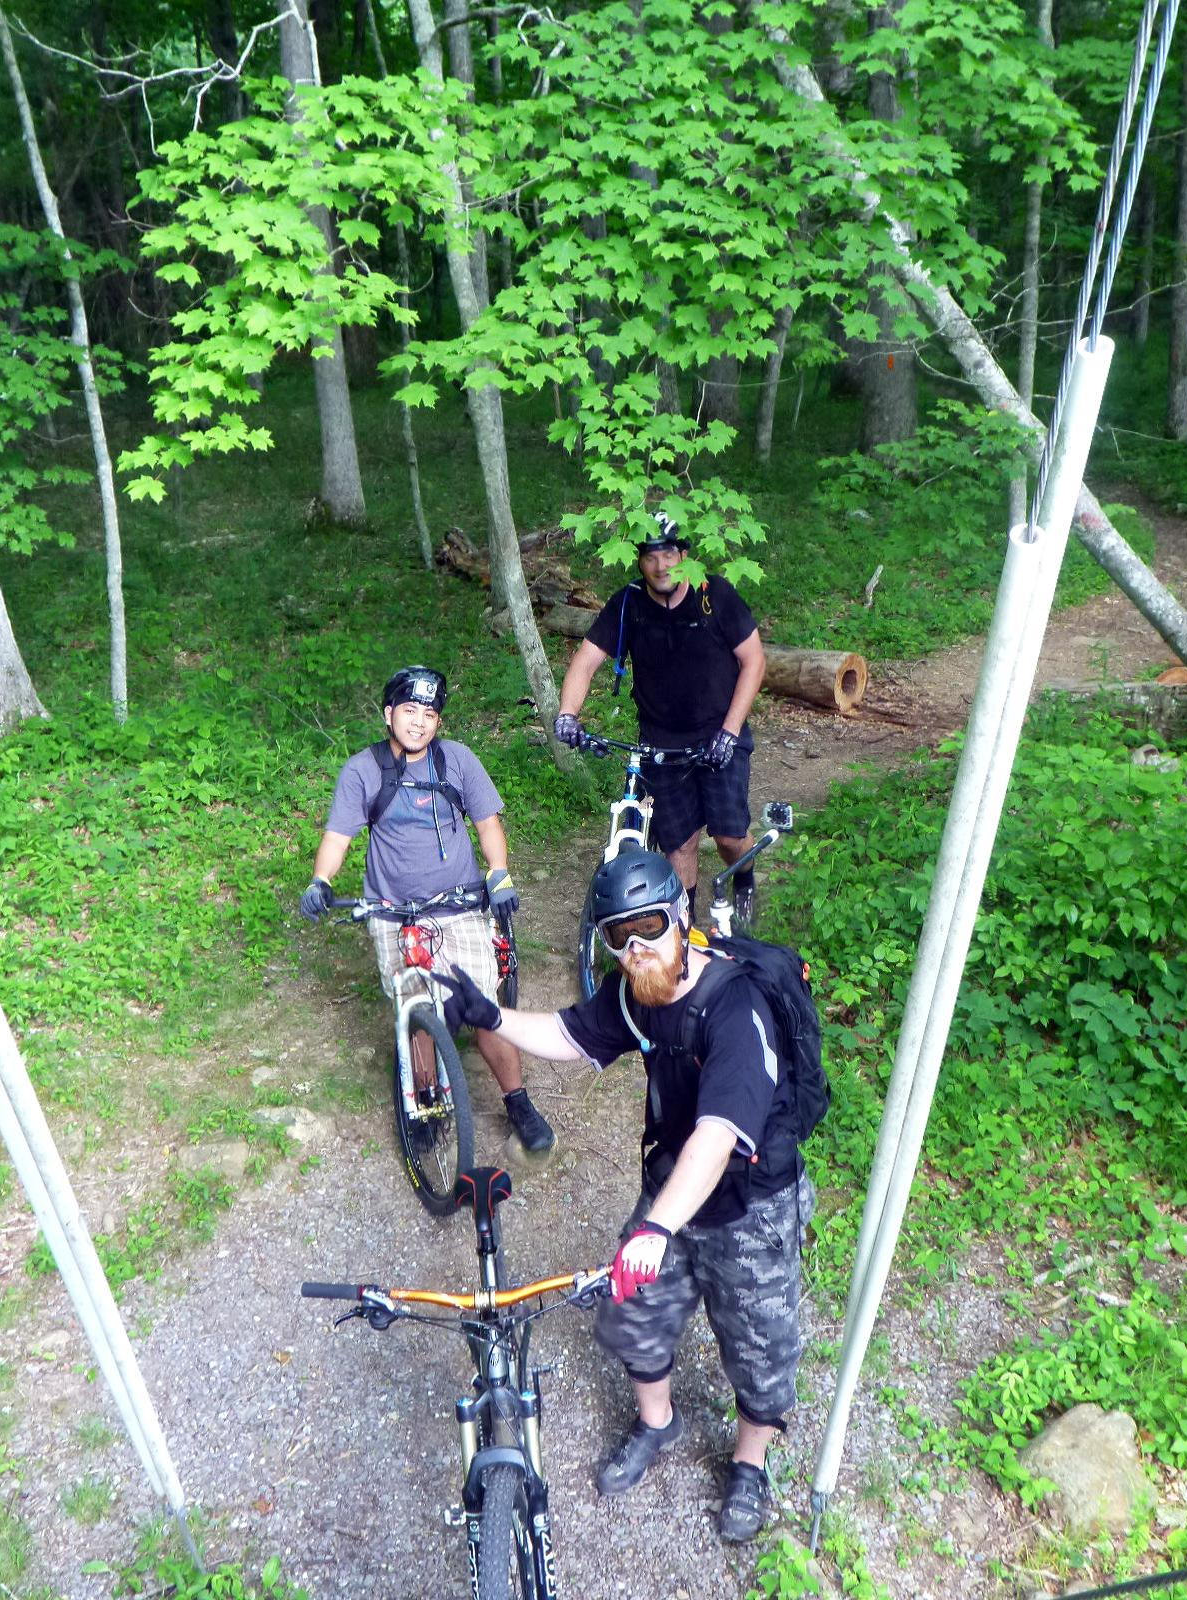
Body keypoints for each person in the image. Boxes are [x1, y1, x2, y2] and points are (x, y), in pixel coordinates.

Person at [433, 846, 813, 1541]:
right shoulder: (637, 991)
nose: (637, 948)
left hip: (750, 1205)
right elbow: (571, 1035)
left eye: (650, 928)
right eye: (619, 936)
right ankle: (657, 1422)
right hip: (673, 1192)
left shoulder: (735, 1007)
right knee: (631, 1310)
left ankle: (750, 1465)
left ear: (681, 917)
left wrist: (655, 1228)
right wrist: (489, 1015)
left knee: (761, 1347)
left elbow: (717, 1136)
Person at [298, 665, 554, 1153]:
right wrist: (321, 880)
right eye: (410, 710)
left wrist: (498, 874)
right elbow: (339, 836)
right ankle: (428, 1101)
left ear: (439, 722)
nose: (418, 722)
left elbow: (487, 823)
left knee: (485, 1006)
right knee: (416, 1005)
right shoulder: (363, 770)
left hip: (457, 905)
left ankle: (518, 1100)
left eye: (429, 714)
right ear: (388, 713)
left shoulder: (457, 760)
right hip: (393, 911)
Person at [554, 510, 767, 925]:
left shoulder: (714, 595)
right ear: (639, 560)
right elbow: (585, 661)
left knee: (729, 837)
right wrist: (568, 714)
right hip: (660, 740)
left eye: (669, 554)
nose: (661, 565)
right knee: (679, 845)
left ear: (684, 554)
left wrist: (730, 730)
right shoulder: (628, 604)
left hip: (719, 732)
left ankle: (744, 877)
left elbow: (754, 661)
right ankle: (683, 928)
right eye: (651, 556)